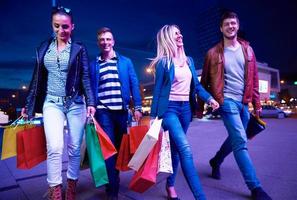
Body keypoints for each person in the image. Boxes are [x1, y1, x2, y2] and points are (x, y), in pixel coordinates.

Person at [21, 6, 96, 200]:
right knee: (54, 147)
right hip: (51, 103)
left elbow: (86, 77)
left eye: (65, 27)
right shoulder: (43, 48)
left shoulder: (79, 48)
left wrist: (91, 102)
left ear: (72, 27)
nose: (61, 30)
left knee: (74, 148)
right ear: (52, 25)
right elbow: (36, 78)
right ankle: (55, 190)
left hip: (75, 103)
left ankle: (71, 185)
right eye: (56, 26)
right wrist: (28, 105)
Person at [200, 11, 272, 200]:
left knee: (236, 138)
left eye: (233, 23)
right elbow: (204, 82)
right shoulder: (212, 53)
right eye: (226, 24)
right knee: (240, 141)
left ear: (237, 25)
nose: (230, 26)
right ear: (221, 28)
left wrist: (256, 103)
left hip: (244, 102)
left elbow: (254, 78)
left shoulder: (248, 50)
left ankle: (216, 161)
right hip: (226, 102)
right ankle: (255, 188)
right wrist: (204, 104)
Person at [149, 25, 219, 200]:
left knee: (176, 150)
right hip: (169, 110)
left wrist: (209, 98)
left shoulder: (189, 61)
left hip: (186, 110)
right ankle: (200, 197)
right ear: (168, 39)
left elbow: (196, 86)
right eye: (175, 34)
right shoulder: (163, 62)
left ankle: (170, 185)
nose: (180, 36)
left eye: (180, 32)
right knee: (186, 150)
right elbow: (157, 91)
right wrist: (153, 117)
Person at [90, 27, 142, 200]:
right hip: (103, 112)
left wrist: (138, 107)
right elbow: (90, 88)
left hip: (121, 111)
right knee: (109, 150)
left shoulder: (125, 62)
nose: (105, 42)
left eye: (108, 39)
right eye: (102, 40)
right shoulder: (94, 64)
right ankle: (112, 190)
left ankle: (112, 178)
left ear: (113, 42)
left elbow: (134, 83)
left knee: (120, 150)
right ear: (98, 43)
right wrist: (90, 105)